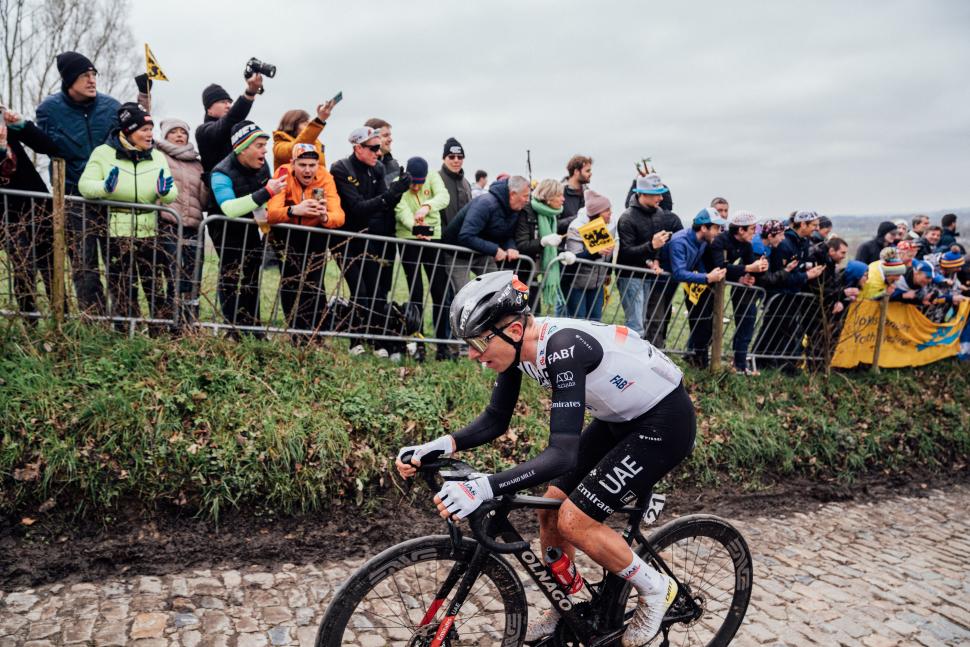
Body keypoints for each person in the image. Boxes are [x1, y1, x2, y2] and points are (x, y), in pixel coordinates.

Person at [395, 271, 695, 647]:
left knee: (574, 520)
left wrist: (485, 486)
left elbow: (562, 454)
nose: (472, 354)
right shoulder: (519, 349)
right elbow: (495, 420)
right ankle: (571, 601)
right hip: (618, 418)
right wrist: (438, 446)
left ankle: (655, 590)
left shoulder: (564, 348)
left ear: (515, 330)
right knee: (549, 509)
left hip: (662, 423)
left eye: (477, 342)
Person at [36, 51, 127, 315]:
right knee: (84, 265)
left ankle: (122, 321)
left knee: (118, 262)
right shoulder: (48, 110)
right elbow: (47, 147)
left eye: (93, 74)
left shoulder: (112, 107)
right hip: (75, 197)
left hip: (112, 196)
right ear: (68, 80)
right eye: (84, 75)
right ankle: (94, 321)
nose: (91, 80)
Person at [78, 103, 178, 331]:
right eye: (144, 129)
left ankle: (158, 332)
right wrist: (104, 187)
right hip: (116, 233)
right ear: (128, 131)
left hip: (150, 231)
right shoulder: (103, 153)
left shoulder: (157, 157)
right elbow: (85, 186)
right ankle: (124, 333)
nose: (150, 134)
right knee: (123, 286)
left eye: (151, 129)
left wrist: (165, 192)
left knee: (154, 286)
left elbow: (172, 193)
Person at [331, 126, 410, 357]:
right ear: (358, 148)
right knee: (360, 289)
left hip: (368, 238)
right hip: (344, 239)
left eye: (379, 147)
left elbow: (382, 207)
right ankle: (355, 340)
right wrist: (388, 195)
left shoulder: (377, 168)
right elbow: (357, 209)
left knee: (375, 290)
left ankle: (378, 341)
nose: (378, 152)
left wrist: (397, 192)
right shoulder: (341, 168)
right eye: (373, 148)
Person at [207, 120, 286, 334]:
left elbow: (264, 201)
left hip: (253, 226)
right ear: (242, 148)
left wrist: (268, 223)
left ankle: (254, 327)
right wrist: (266, 193)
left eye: (265, 145)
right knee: (232, 277)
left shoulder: (262, 165)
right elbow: (230, 208)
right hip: (225, 229)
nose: (265, 150)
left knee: (252, 275)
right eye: (259, 145)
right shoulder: (220, 172)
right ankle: (233, 327)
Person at [265, 142, 345, 342]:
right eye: (302, 165)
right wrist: (294, 210)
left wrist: (325, 217)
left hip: (316, 235)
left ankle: (314, 336)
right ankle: (296, 332)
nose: (308, 170)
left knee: (314, 285)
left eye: (312, 165)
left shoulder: (325, 177)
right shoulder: (283, 173)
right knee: (290, 283)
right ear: (293, 163)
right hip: (288, 235)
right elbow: (271, 213)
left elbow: (339, 215)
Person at [0, 108, 60, 319]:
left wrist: (23, 126)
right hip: (6, 213)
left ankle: (61, 319)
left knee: (52, 264)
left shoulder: (6, 128)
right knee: (23, 267)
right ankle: (30, 322)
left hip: (37, 204)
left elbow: (50, 147)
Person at [750, 211, 825, 373]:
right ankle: (761, 361)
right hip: (779, 295)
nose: (817, 228)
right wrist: (805, 275)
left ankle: (778, 364)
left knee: (787, 330)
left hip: (792, 294)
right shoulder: (785, 244)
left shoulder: (803, 242)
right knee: (772, 329)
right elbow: (780, 275)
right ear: (803, 224)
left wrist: (805, 271)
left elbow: (797, 268)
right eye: (814, 225)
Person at [394, 156, 452, 359]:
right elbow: (400, 209)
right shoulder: (398, 183)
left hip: (432, 238)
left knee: (439, 290)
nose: (416, 187)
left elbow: (444, 197)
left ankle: (443, 344)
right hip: (409, 239)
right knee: (416, 290)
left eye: (420, 183)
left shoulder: (434, 177)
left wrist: (427, 206)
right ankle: (417, 342)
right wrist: (414, 226)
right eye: (413, 183)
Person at [616, 173, 683, 344]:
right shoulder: (627, 218)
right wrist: (651, 247)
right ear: (643, 194)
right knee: (635, 326)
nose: (661, 198)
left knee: (642, 325)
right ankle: (629, 364)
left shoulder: (659, 213)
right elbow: (626, 252)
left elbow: (658, 244)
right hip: (629, 276)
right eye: (657, 194)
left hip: (647, 276)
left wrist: (656, 261)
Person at [659, 208, 728, 368]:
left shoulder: (702, 242)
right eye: (716, 227)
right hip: (659, 284)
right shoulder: (679, 241)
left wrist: (706, 275)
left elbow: (696, 262)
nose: (718, 232)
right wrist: (706, 277)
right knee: (659, 320)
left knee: (666, 316)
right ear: (704, 228)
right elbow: (678, 272)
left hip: (671, 284)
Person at [155, 118, 207, 325]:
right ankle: (171, 321)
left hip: (193, 226)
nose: (179, 135)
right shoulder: (159, 157)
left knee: (192, 276)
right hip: (168, 222)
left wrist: (206, 186)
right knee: (174, 274)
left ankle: (188, 323)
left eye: (182, 132)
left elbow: (202, 201)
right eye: (173, 132)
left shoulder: (197, 163)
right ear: (165, 136)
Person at [706, 210, 769, 374]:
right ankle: (699, 361)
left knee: (746, 324)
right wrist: (747, 269)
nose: (755, 233)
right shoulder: (720, 241)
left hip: (724, 284)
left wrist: (758, 271)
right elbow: (720, 266)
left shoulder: (746, 246)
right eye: (752, 229)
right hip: (705, 283)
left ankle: (740, 364)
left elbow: (749, 269)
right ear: (741, 230)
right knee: (705, 324)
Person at [444, 176, 529, 291]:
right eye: (525, 196)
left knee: (497, 289)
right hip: (457, 254)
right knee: (463, 295)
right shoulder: (485, 204)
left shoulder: (514, 209)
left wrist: (511, 247)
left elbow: (506, 234)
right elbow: (466, 235)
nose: (527, 200)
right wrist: (494, 250)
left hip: (482, 253)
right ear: (513, 194)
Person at [560, 190, 616, 319]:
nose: (610, 213)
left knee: (596, 320)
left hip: (597, 283)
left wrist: (608, 272)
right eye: (607, 210)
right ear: (597, 213)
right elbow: (573, 258)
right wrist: (595, 253)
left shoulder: (610, 225)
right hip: (576, 284)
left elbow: (609, 252)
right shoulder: (576, 227)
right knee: (579, 322)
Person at [513, 178, 566, 313]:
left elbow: (550, 247)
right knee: (521, 315)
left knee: (534, 314)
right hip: (520, 273)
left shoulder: (552, 216)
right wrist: (543, 242)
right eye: (559, 195)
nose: (563, 199)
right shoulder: (527, 212)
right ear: (548, 197)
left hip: (534, 274)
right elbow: (522, 244)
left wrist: (561, 253)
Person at [195, 74, 264, 174]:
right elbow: (228, 122)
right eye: (223, 102)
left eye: (229, 102)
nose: (228, 106)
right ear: (209, 109)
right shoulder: (203, 131)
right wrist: (249, 94)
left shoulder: (234, 128)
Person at [271, 100, 336, 171]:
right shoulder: (279, 146)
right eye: (305, 123)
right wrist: (319, 120)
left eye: (309, 123)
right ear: (292, 125)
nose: (308, 126)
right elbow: (298, 147)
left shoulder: (315, 142)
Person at [437, 137, 473, 230]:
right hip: (442, 239)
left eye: (460, 157)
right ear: (444, 158)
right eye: (452, 157)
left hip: (463, 237)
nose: (456, 160)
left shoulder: (467, 183)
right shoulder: (435, 179)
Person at [363, 118, 399, 183]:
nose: (390, 140)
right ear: (372, 138)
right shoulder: (359, 166)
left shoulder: (393, 165)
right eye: (385, 135)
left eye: (390, 135)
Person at [562, 155, 592, 226]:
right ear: (576, 172)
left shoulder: (588, 194)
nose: (590, 174)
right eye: (587, 171)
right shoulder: (559, 193)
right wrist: (578, 219)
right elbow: (555, 224)